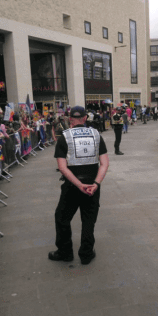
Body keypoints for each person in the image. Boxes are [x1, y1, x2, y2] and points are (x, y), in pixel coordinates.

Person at [48, 106, 109, 265]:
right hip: (92, 186)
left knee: (62, 217)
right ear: (85, 118)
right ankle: (86, 254)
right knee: (89, 220)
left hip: (72, 186)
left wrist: (78, 184)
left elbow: (62, 167)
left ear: (70, 119)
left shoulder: (64, 137)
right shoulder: (96, 135)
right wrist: (95, 183)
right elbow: (104, 164)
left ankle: (65, 252)